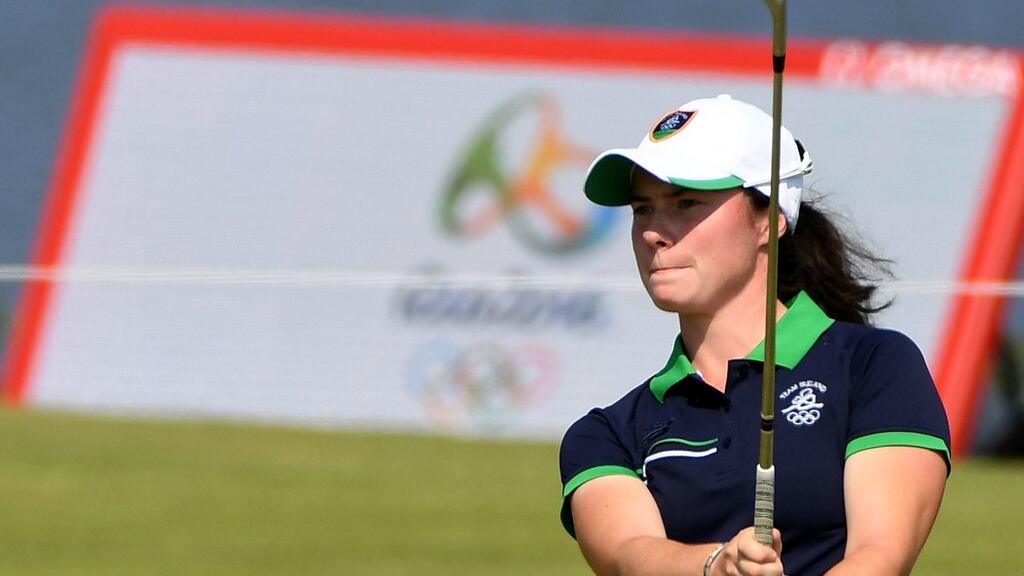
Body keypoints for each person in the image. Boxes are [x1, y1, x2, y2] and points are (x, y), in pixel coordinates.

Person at [558, 94, 950, 576]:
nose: (654, 233)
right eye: (643, 209)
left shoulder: (874, 366)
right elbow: (627, 555)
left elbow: (880, 557)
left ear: (769, 221)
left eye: (685, 203)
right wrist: (715, 566)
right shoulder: (607, 434)